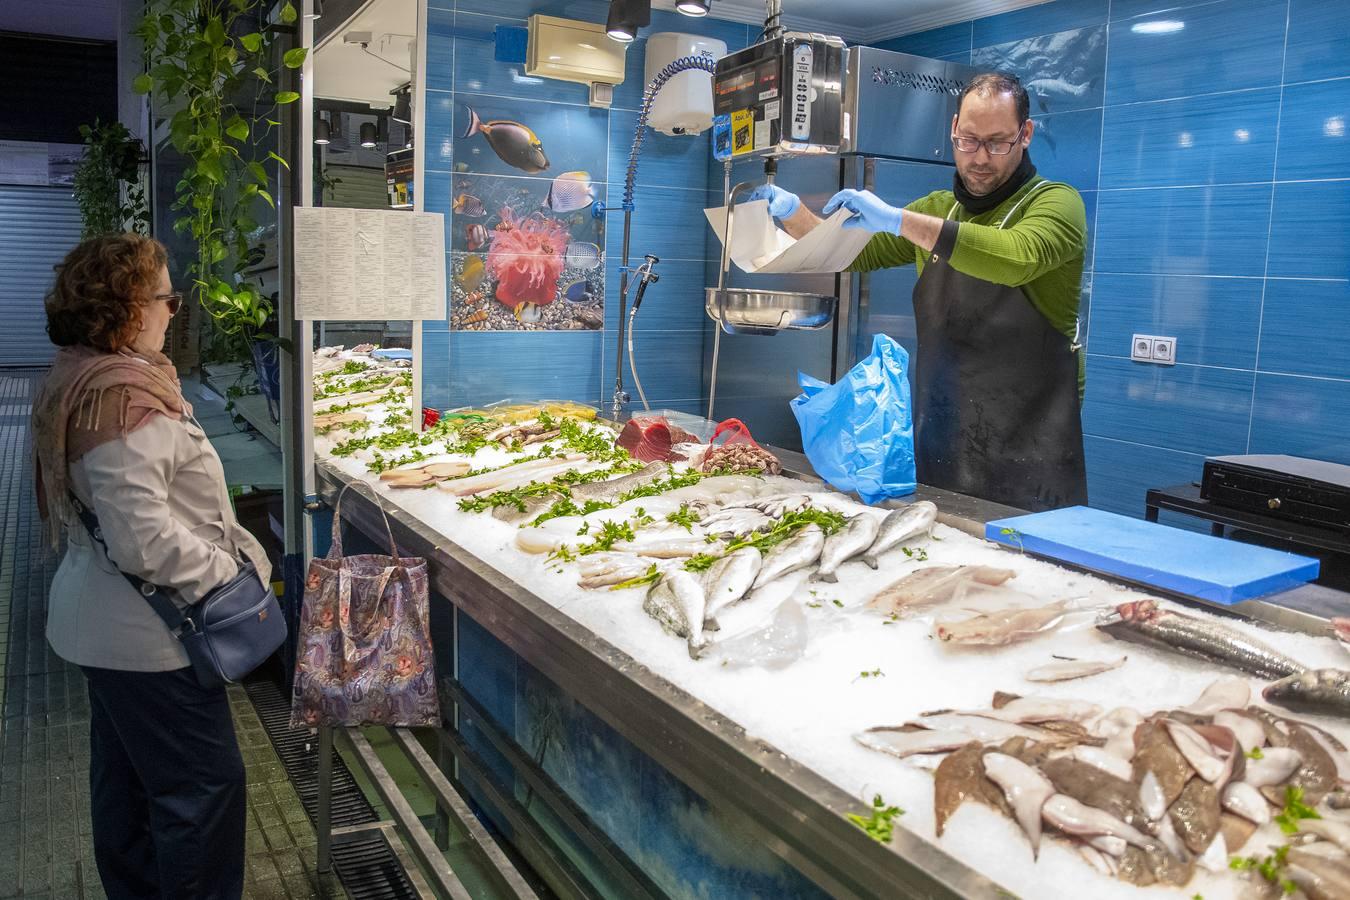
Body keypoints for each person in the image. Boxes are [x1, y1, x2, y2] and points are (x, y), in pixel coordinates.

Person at [31, 233, 272, 899]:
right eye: (168, 298)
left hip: (109, 628)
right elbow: (143, 539)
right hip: (149, 640)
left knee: (128, 785)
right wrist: (229, 574)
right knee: (203, 793)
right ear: (128, 308)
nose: (175, 310)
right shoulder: (121, 401)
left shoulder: (88, 375)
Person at [753, 72, 1088, 511]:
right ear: (953, 130)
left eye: (997, 142)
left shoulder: (1057, 204)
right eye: (969, 140)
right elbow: (849, 252)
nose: (980, 157)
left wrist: (896, 220)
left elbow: (1016, 256)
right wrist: (794, 213)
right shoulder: (937, 208)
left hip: (1034, 467)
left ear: (1025, 135)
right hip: (943, 445)